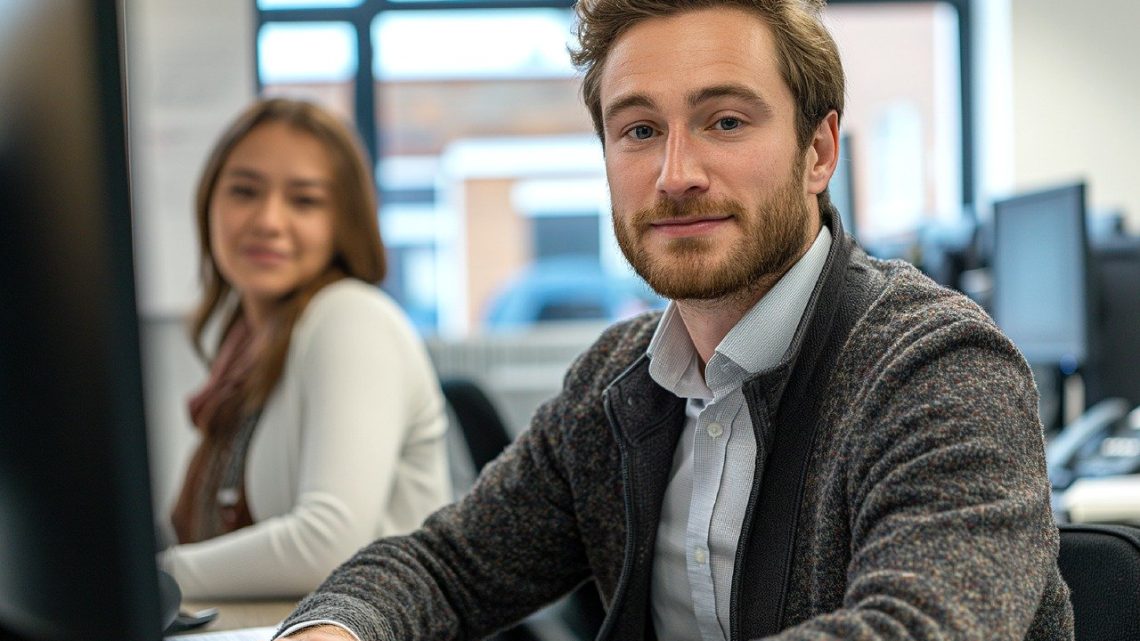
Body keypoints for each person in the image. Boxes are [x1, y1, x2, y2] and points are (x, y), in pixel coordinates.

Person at [277, 0, 1074, 639]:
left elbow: (919, 627)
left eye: (725, 120)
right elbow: (448, 567)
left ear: (819, 151)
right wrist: (336, 629)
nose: (675, 174)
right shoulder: (614, 384)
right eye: (639, 130)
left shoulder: (940, 367)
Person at [160, 98, 451, 600]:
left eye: (305, 200)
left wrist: (149, 578)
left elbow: (329, 545)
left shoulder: (350, 318)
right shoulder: (247, 345)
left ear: (344, 222)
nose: (268, 220)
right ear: (210, 201)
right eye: (244, 191)